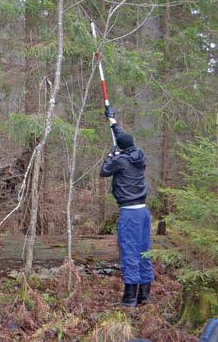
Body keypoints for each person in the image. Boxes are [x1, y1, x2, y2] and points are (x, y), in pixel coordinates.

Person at [100, 106, 153, 307]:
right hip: (143, 212)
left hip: (130, 213)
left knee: (130, 251)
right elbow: (123, 138)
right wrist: (112, 120)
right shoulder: (138, 154)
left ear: (120, 149)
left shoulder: (120, 161)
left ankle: (130, 298)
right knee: (144, 251)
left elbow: (104, 171)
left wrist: (111, 155)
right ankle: (144, 296)